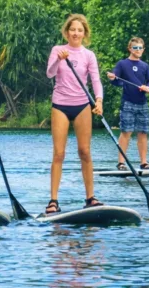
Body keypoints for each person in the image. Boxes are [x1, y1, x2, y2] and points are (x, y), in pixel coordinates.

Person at [44, 14, 104, 215]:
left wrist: (99, 100)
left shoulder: (89, 55)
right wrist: (58, 60)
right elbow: (50, 74)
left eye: (80, 30)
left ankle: (90, 198)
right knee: (59, 153)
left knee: (84, 152)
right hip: (60, 104)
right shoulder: (57, 50)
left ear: (84, 33)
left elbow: (95, 80)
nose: (76, 33)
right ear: (67, 32)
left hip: (82, 105)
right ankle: (53, 201)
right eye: (73, 30)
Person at [107, 37, 149, 170]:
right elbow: (116, 79)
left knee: (143, 133)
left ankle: (144, 163)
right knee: (126, 131)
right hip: (127, 103)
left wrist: (148, 87)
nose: (138, 50)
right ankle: (121, 163)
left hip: (142, 104)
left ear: (143, 50)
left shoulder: (145, 66)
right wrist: (112, 77)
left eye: (140, 48)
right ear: (130, 49)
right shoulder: (122, 64)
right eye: (135, 48)